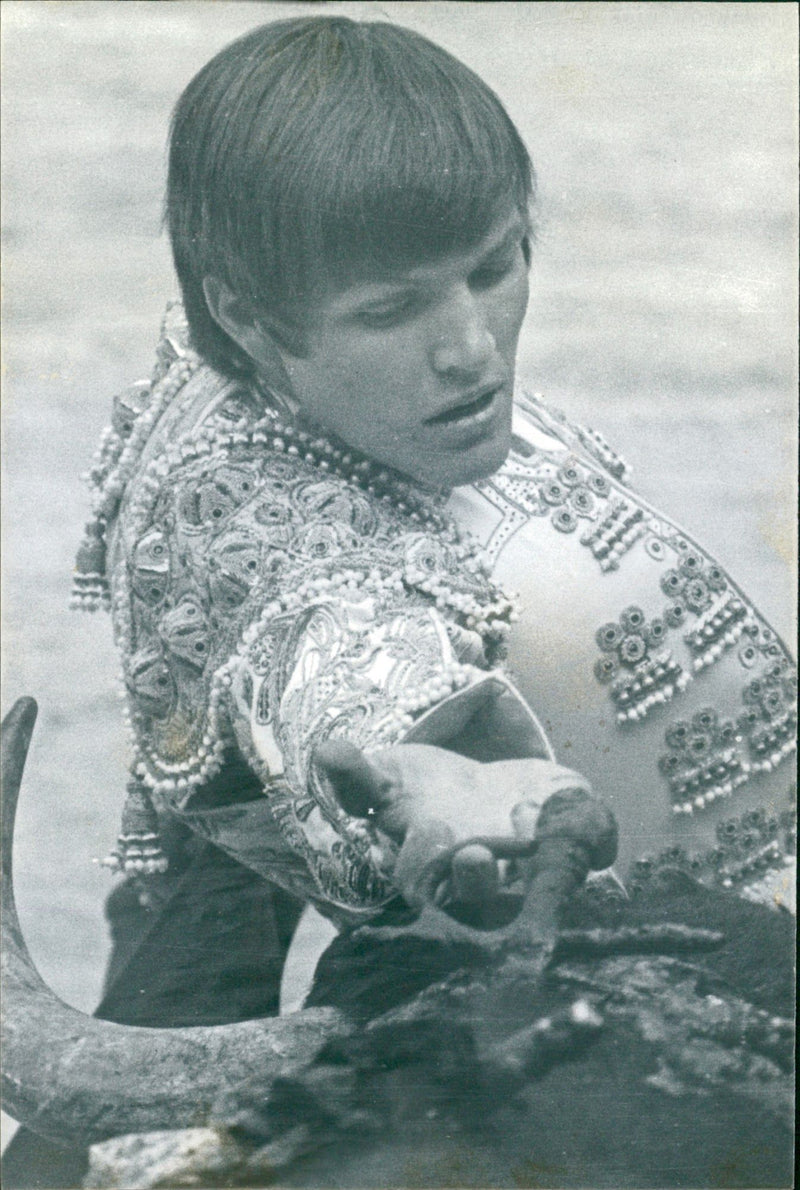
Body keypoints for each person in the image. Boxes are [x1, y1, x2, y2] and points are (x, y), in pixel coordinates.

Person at [66, 15, 794, 1026]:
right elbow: (328, 642)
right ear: (242, 316)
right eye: (389, 310)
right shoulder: (254, 522)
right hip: (655, 995)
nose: (470, 350)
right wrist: (425, 774)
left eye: (492, 270)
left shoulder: (292, 355)